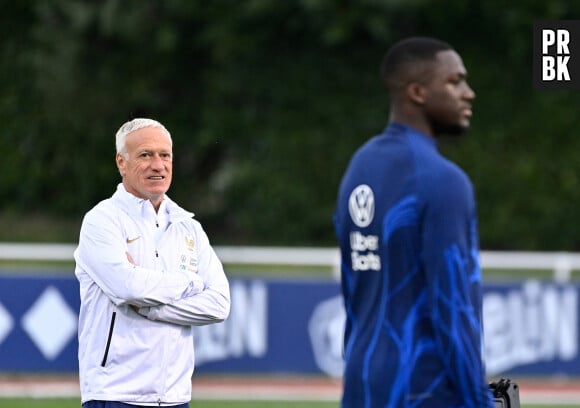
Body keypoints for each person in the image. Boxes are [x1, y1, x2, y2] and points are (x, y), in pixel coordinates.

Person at [333, 37, 493, 407]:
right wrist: (478, 401)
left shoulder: (360, 167)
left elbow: (354, 290)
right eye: (455, 82)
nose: (468, 93)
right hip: (425, 387)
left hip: (363, 383)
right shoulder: (443, 180)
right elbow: (454, 310)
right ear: (418, 92)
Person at [74, 118, 230, 408]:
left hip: (174, 396)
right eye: (146, 155)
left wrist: (152, 308)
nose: (158, 165)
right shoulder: (102, 220)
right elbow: (128, 288)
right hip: (114, 394)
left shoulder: (188, 227)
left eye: (165, 155)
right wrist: (192, 284)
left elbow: (219, 304)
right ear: (122, 162)